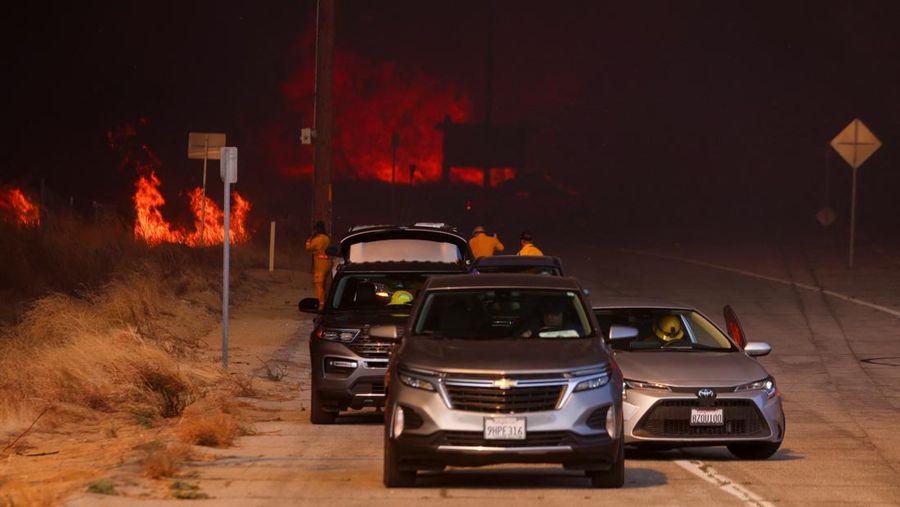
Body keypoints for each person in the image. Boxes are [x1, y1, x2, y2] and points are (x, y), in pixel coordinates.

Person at [305, 220, 331, 308]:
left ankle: (321, 306)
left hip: (320, 264)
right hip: (327, 263)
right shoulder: (326, 238)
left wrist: (310, 238)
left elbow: (308, 247)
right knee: (324, 285)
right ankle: (325, 302)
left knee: (319, 285)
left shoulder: (317, 239)